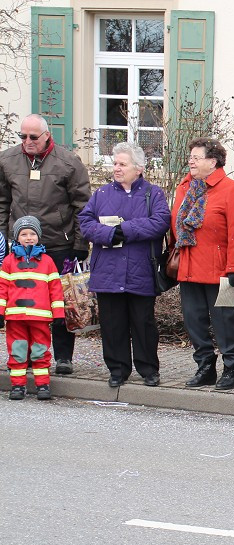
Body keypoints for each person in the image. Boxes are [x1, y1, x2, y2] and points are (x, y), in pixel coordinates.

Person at [0, 114, 91, 376]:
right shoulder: (7, 160)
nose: (27, 142)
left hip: (58, 243)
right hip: (20, 247)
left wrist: (79, 242)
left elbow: (82, 205)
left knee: (61, 301)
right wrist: (3, 237)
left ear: (47, 135)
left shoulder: (67, 162)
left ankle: (63, 357)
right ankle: (27, 355)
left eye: (33, 137)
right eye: (22, 136)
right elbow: (3, 201)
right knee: (24, 302)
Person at [77, 142, 171, 388]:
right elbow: (85, 223)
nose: (116, 168)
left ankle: (148, 369)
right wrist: (108, 235)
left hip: (141, 269)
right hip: (108, 270)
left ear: (138, 168)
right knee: (113, 324)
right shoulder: (102, 194)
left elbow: (160, 222)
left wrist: (124, 230)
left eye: (122, 164)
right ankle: (117, 369)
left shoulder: (153, 193)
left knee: (143, 323)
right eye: (115, 163)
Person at [172, 137, 234, 390]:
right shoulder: (186, 188)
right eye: (191, 157)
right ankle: (205, 366)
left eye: (197, 157)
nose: (191, 161)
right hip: (189, 268)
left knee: (225, 322)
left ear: (213, 161)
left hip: (222, 272)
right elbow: (176, 227)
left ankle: (231, 369)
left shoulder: (231, 189)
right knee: (194, 321)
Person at [0, 216, 65, 400]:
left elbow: (55, 289)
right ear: (16, 238)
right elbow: (2, 288)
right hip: (15, 318)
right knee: (18, 351)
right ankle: (18, 386)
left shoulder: (47, 262)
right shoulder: (9, 262)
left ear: (38, 236)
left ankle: (43, 384)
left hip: (40, 318)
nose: (28, 238)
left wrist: (59, 313)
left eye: (32, 234)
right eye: (24, 234)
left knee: (40, 351)